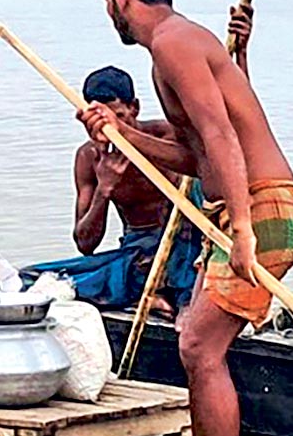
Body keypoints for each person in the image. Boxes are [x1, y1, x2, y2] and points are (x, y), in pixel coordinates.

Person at [78, 0, 293, 436]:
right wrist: (119, 135)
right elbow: (193, 153)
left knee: (200, 348)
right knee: (194, 341)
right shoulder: (171, 49)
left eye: (106, 2)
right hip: (241, 206)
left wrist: (241, 232)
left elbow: (224, 137)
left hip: (262, 209)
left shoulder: (177, 44)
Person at [29, 66, 198, 311]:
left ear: (135, 108)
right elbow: (85, 244)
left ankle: (167, 293)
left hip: (184, 246)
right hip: (136, 251)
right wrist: (104, 189)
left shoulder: (167, 137)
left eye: (119, 116)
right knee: (39, 279)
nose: (111, 129)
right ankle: (149, 291)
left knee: (179, 260)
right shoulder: (89, 158)